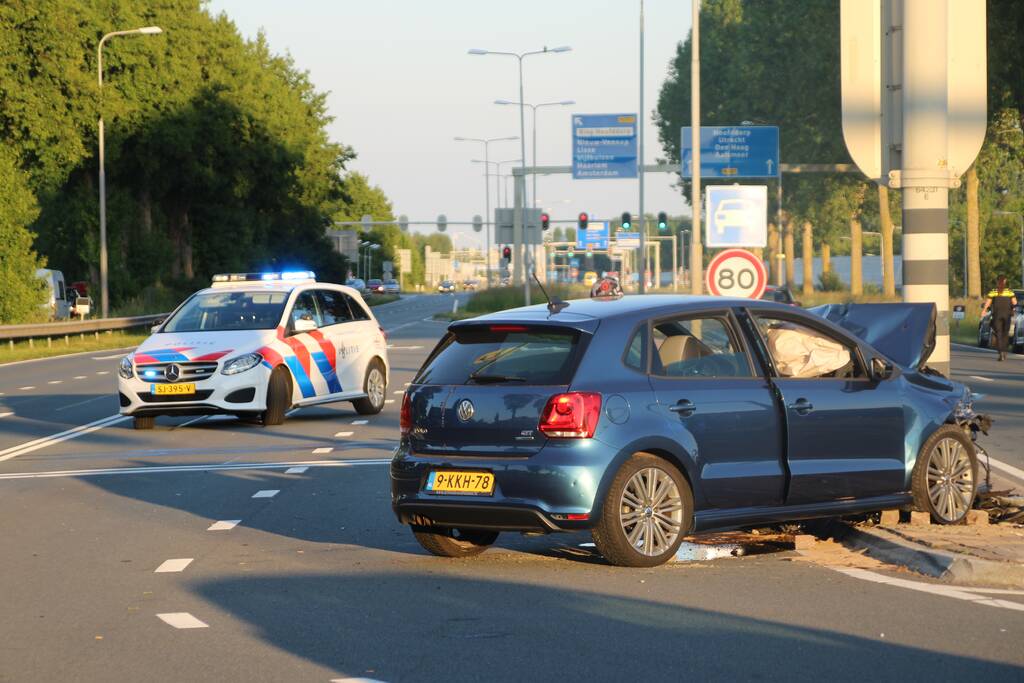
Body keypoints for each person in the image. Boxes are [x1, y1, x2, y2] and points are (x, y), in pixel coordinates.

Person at [981, 276, 1018, 361]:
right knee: (1005, 333)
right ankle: (1004, 351)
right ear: (1005, 281)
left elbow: (988, 303)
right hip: (1007, 315)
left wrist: (984, 311)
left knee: (998, 333)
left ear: (997, 282)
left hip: (997, 316)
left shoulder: (993, 292)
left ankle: (1000, 351)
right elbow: (1015, 303)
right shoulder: (1009, 292)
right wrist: (1013, 309)